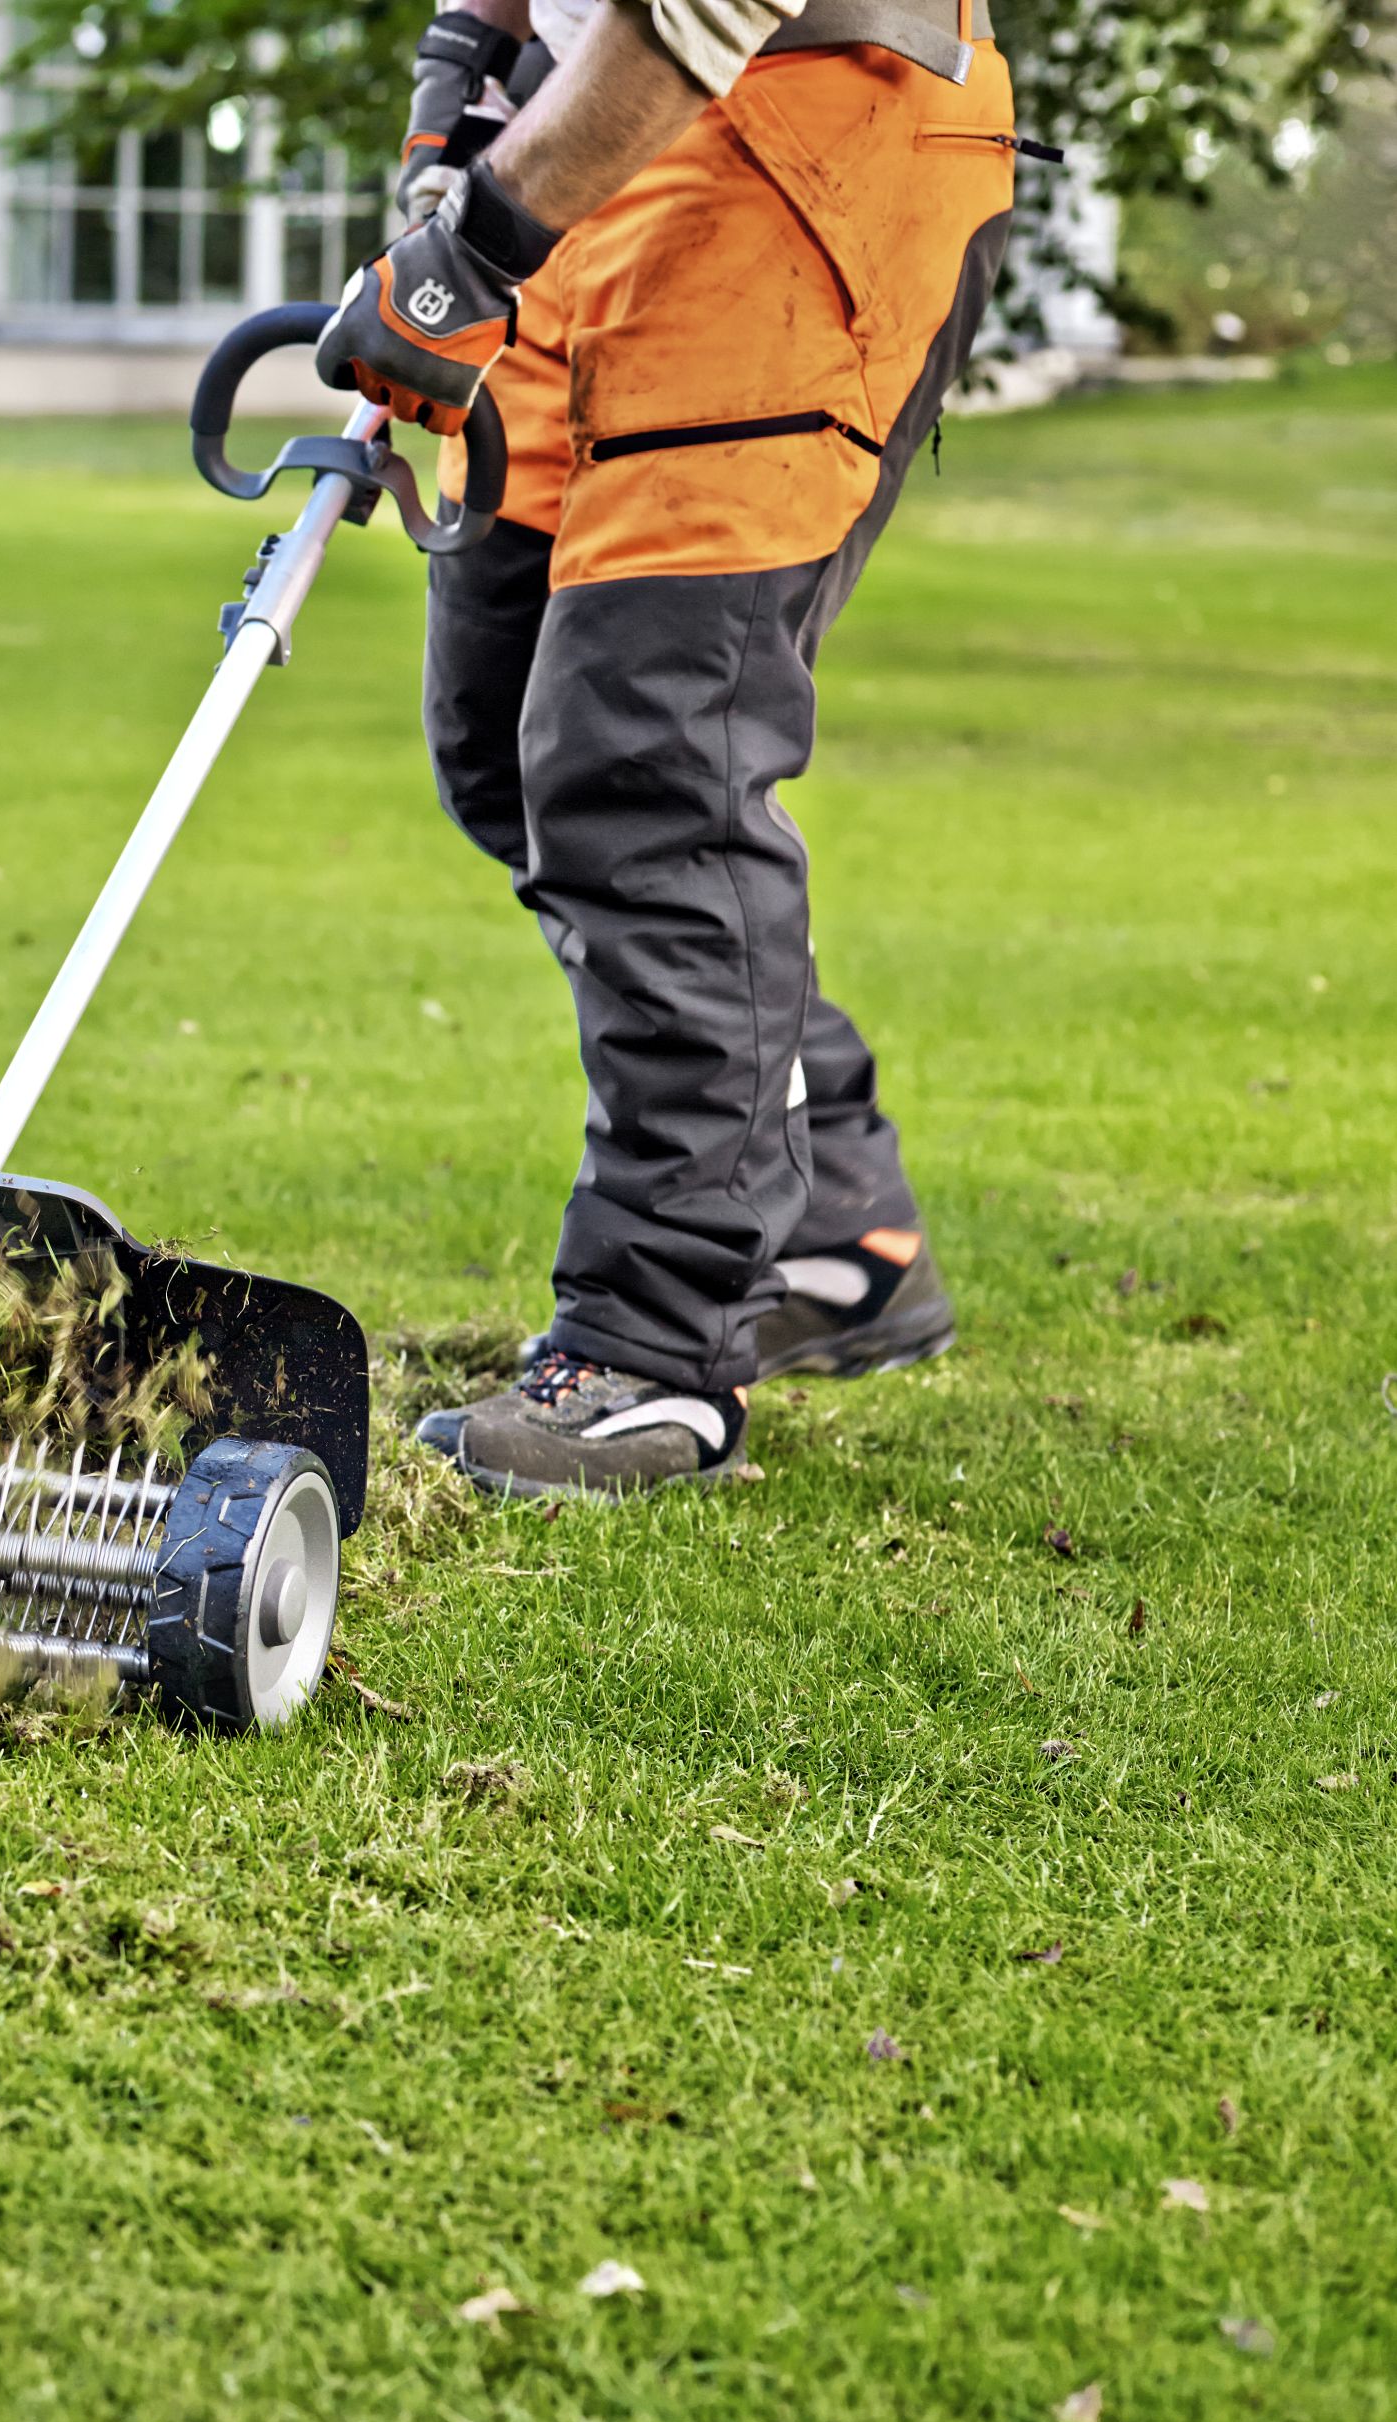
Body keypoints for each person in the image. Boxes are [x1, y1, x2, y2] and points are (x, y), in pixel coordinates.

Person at [311, 0, 1017, 1499]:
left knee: (651, 770)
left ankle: (657, 1352)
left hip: (809, 151)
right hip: (599, 150)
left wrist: (479, 238)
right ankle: (841, 1234)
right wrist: (459, 92)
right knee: (507, 743)